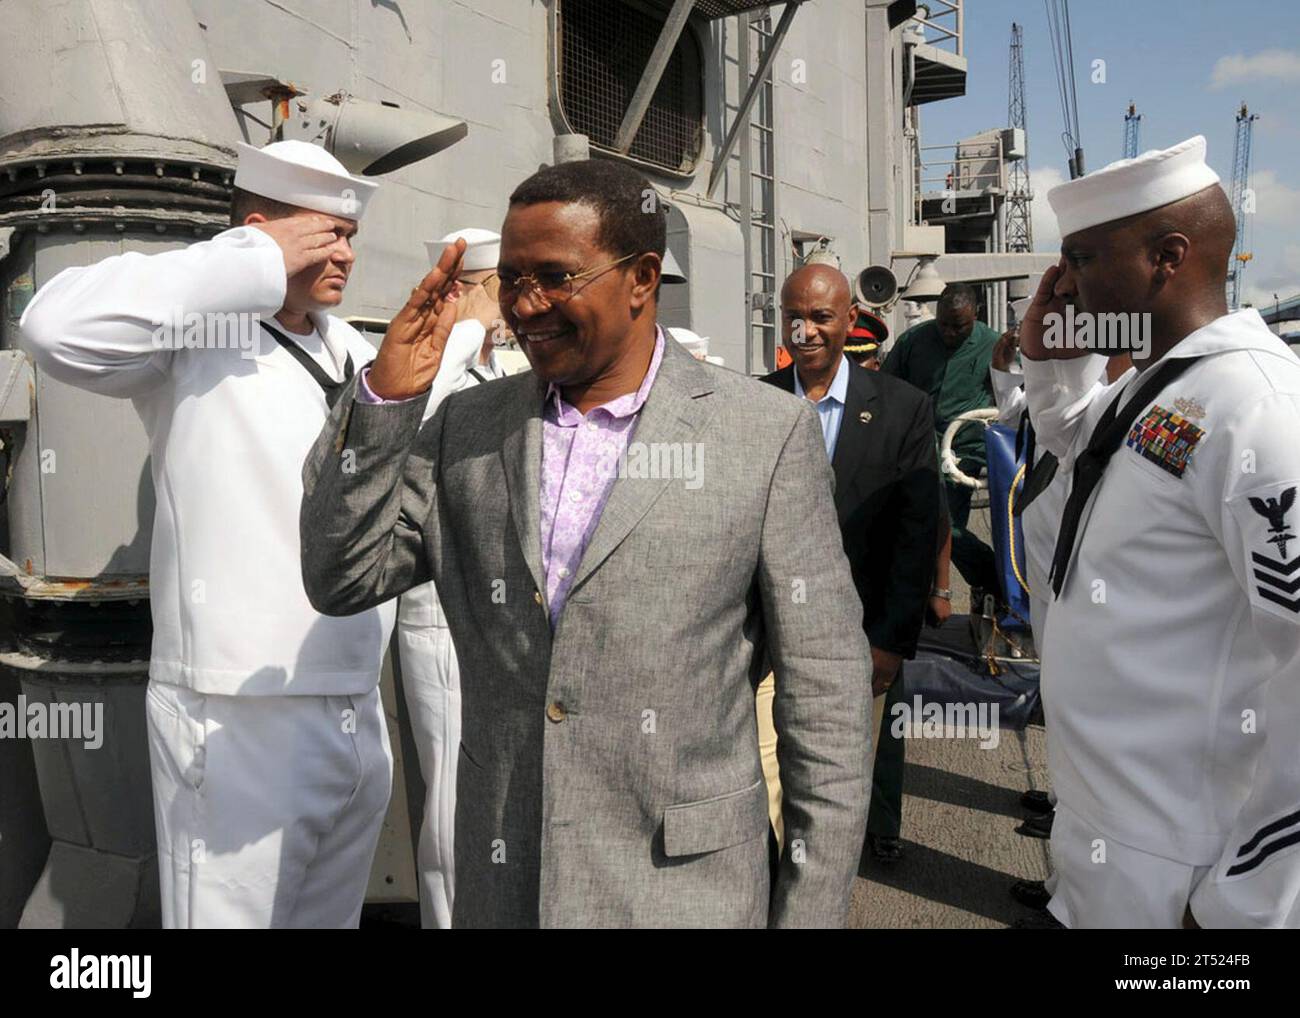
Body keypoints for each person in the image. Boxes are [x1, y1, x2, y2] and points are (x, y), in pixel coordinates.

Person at [300, 158, 873, 928]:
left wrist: (809, 915)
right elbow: (340, 576)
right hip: (509, 884)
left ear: (641, 278)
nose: (526, 305)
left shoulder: (764, 437)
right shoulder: (466, 431)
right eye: (510, 279)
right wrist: (384, 398)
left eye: (554, 277)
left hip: (686, 894)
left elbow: (827, 699)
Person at [19, 140, 399, 928]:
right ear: (257, 229)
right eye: (324, 232)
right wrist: (249, 259)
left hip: (354, 698)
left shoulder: (350, 348)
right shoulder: (194, 337)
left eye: (351, 235)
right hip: (235, 710)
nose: (346, 251)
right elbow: (53, 329)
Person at [1021, 135, 1300, 929]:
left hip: (1185, 883)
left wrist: (1246, 905)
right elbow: (1081, 448)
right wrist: (1053, 361)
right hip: (1099, 846)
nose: (1065, 284)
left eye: (1080, 259)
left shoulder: (1260, 409)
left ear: (1165, 257)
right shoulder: (1155, 389)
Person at [761, 264, 940, 867]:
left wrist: (891, 642)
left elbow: (915, 533)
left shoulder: (903, 409)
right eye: (794, 316)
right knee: (766, 783)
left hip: (856, 640)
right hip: (764, 639)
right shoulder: (753, 401)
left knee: (836, 783)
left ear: (849, 321)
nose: (805, 331)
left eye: (820, 317)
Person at [397, 227, 509, 929]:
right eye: (505, 288)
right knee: (451, 801)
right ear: (470, 292)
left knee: (496, 791)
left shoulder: (500, 370)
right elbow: (408, 432)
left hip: (498, 613)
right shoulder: (435, 367)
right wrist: (463, 335)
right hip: (439, 614)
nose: (520, 304)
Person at [883, 284, 1004, 604]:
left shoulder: (994, 346)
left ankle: (993, 577)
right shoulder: (914, 341)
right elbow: (886, 387)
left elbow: (1012, 397)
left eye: (959, 326)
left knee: (944, 523)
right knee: (910, 521)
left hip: (964, 448)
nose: (949, 332)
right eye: (944, 324)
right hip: (920, 444)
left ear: (975, 316)